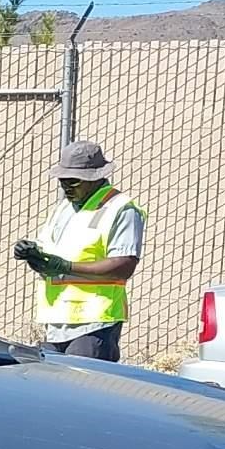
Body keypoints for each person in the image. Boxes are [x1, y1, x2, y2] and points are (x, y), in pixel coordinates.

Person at [15, 139, 142, 361]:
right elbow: (51, 249)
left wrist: (66, 267)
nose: (66, 187)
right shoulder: (65, 207)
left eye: (73, 182)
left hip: (93, 324)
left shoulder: (121, 208)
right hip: (56, 320)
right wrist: (33, 254)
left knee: (87, 386)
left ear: (94, 178)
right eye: (63, 181)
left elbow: (124, 265)